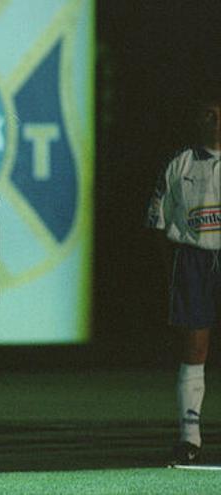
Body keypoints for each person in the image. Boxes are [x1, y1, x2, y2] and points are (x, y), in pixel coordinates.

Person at [146, 91, 221, 466]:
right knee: (194, 348)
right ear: (198, 119)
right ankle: (189, 437)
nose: (216, 122)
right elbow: (158, 223)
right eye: (209, 114)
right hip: (193, 259)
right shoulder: (180, 163)